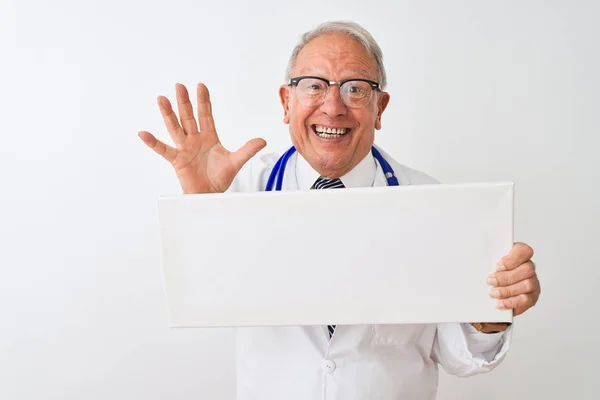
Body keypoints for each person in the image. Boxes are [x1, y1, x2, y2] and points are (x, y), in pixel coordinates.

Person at [139, 21, 540, 400]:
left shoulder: (433, 203)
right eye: (313, 86)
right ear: (286, 101)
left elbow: (457, 355)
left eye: (355, 89)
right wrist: (199, 210)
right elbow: (195, 301)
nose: (332, 107)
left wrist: (489, 316)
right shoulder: (240, 191)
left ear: (380, 107)